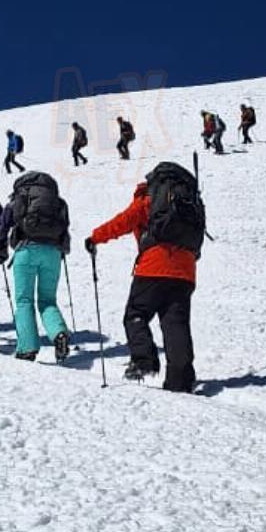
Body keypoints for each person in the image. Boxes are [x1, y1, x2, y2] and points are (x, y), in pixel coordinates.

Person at [86, 162, 205, 393]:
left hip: (153, 267)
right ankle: (179, 381)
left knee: (136, 315)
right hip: (185, 271)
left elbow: (122, 222)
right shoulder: (190, 200)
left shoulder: (149, 197)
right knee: (176, 324)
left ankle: (144, 361)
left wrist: (95, 238)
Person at [0, 171, 71, 362]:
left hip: (26, 251)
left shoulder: (20, 197)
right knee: (48, 301)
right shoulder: (58, 202)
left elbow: (2, 228)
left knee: (24, 301)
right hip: (52, 254)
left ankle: (27, 348)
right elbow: (65, 230)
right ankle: (59, 333)